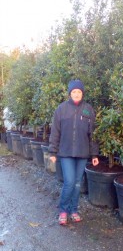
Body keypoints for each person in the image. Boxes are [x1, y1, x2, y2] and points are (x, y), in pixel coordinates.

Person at [49, 79, 99, 225]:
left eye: (79, 92)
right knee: (69, 182)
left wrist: (94, 154)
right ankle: (63, 210)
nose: (76, 94)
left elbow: (93, 134)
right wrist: (53, 151)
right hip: (65, 153)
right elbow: (55, 132)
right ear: (70, 93)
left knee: (77, 183)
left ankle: (74, 210)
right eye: (74, 92)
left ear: (82, 93)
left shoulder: (88, 109)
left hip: (82, 153)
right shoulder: (61, 109)